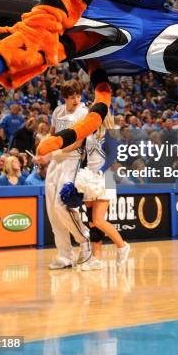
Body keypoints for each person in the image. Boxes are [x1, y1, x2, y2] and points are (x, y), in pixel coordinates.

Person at [38, 79, 91, 270]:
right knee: (53, 211)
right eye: (71, 97)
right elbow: (52, 136)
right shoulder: (58, 111)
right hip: (55, 160)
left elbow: (78, 142)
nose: (75, 100)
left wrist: (54, 153)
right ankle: (64, 255)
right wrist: (42, 152)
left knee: (62, 205)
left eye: (78, 96)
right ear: (64, 98)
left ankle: (85, 242)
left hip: (72, 159)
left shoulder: (84, 113)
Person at [80, 110, 130, 271]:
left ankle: (122, 246)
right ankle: (96, 258)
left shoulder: (110, 132)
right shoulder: (90, 132)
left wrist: (100, 171)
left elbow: (112, 155)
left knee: (99, 220)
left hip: (104, 176)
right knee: (92, 221)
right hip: (89, 177)